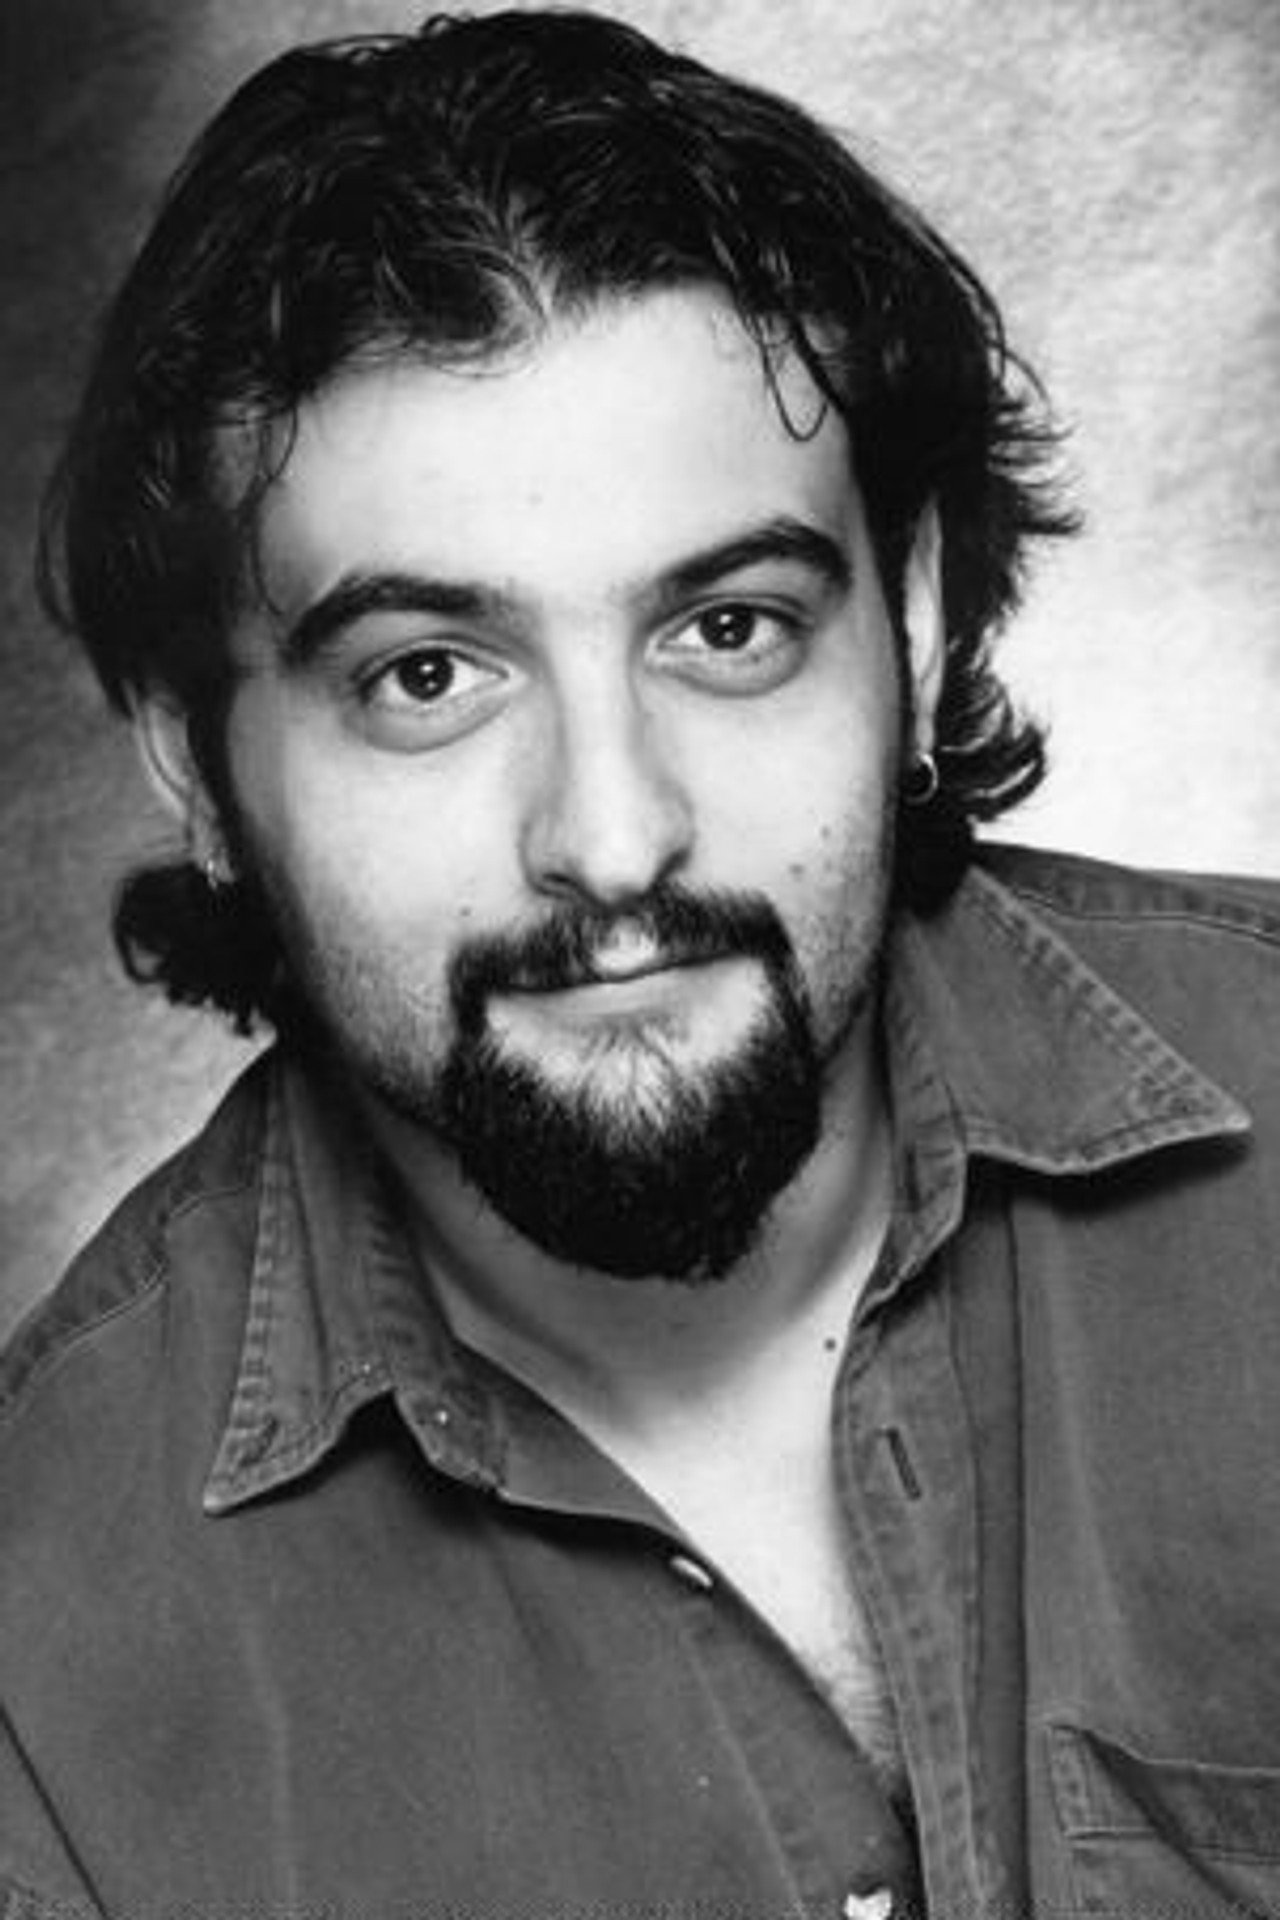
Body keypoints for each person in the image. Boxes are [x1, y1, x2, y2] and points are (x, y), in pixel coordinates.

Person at [4, 10, 1280, 1916]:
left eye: (729, 630)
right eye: (427, 675)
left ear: (917, 628)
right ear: (200, 766)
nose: (613, 837)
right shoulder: (41, 1669)